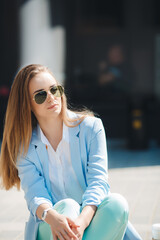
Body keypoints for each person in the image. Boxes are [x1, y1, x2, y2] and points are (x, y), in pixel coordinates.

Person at [0, 64, 142, 240]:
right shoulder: (23, 146)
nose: (51, 98)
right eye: (41, 95)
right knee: (67, 206)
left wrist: (82, 222)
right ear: (26, 104)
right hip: (50, 224)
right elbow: (35, 194)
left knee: (117, 204)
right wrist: (54, 218)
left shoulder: (91, 128)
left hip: (90, 218)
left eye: (54, 89)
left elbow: (98, 182)